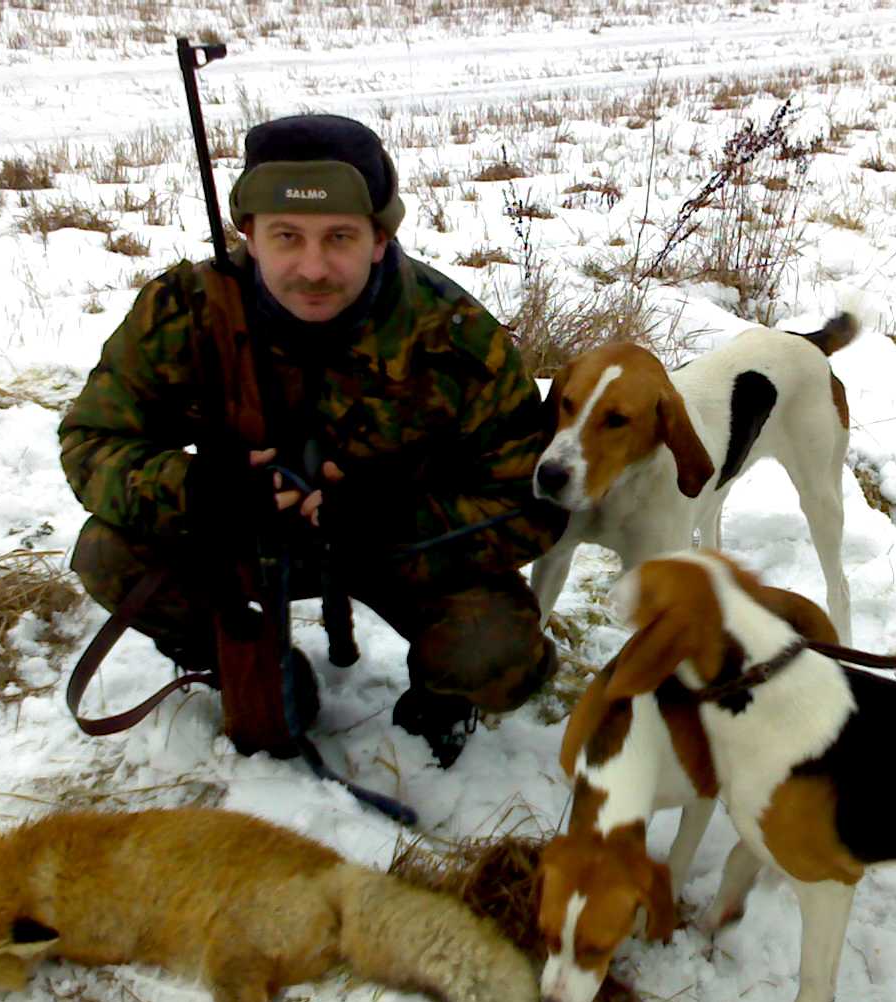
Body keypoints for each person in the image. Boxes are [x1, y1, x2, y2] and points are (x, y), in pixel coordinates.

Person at [59, 114, 566, 768]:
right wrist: (200, 491)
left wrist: (390, 520)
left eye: (341, 238)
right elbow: (91, 441)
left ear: (381, 238)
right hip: (248, 539)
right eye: (287, 237)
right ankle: (236, 656)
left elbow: (533, 499)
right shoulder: (184, 313)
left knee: (500, 654)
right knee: (107, 551)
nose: (313, 268)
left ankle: (439, 703)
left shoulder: (453, 336)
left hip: (396, 547)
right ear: (250, 233)